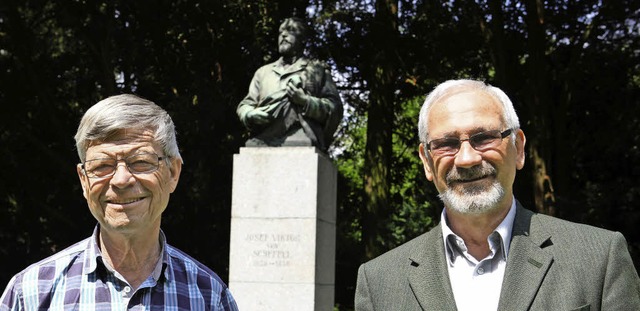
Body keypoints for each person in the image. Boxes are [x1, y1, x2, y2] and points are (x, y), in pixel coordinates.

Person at [354, 79, 640, 310]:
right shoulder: (379, 282)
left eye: (483, 138)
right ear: (427, 161)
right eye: (446, 143)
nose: (466, 159)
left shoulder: (599, 258)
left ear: (519, 147)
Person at [0, 94, 239, 310]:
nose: (121, 180)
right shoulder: (30, 293)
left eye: (141, 161)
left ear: (173, 173)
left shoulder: (210, 297)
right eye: (102, 166)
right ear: (84, 181)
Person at [237, 17, 343, 151]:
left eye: (291, 30)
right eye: (280, 32)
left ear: (303, 39)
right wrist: (248, 114)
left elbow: (335, 109)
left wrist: (306, 101)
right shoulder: (263, 72)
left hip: (302, 136)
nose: (283, 34)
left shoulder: (317, 70)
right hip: (262, 136)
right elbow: (246, 104)